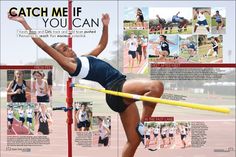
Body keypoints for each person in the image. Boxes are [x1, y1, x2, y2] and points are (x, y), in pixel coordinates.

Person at [9, 12, 164, 157]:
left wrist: (105, 26)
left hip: (117, 94)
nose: (70, 49)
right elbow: (44, 46)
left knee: (133, 141)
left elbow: (101, 45)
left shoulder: (84, 58)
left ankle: (140, 130)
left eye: (68, 46)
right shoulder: (69, 64)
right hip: (116, 87)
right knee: (156, 86)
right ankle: (143, 126)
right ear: (60, 56)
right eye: (65, 49)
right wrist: (24, 23)